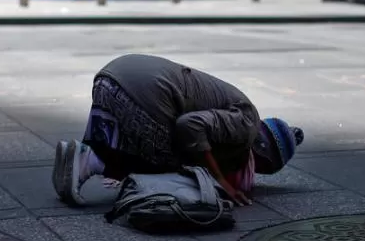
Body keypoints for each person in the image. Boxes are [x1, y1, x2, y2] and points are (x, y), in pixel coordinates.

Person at [52, 54, 304, 207]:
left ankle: (85, 157)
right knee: (178, 167)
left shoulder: (240, 111)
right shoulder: (247, 124)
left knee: (165, 145)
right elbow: (190, 127)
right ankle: (91, 161)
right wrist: (221, 182)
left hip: (109, 80)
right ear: (262, 150)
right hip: (137, 93)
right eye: (261, 168)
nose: (255, 171)